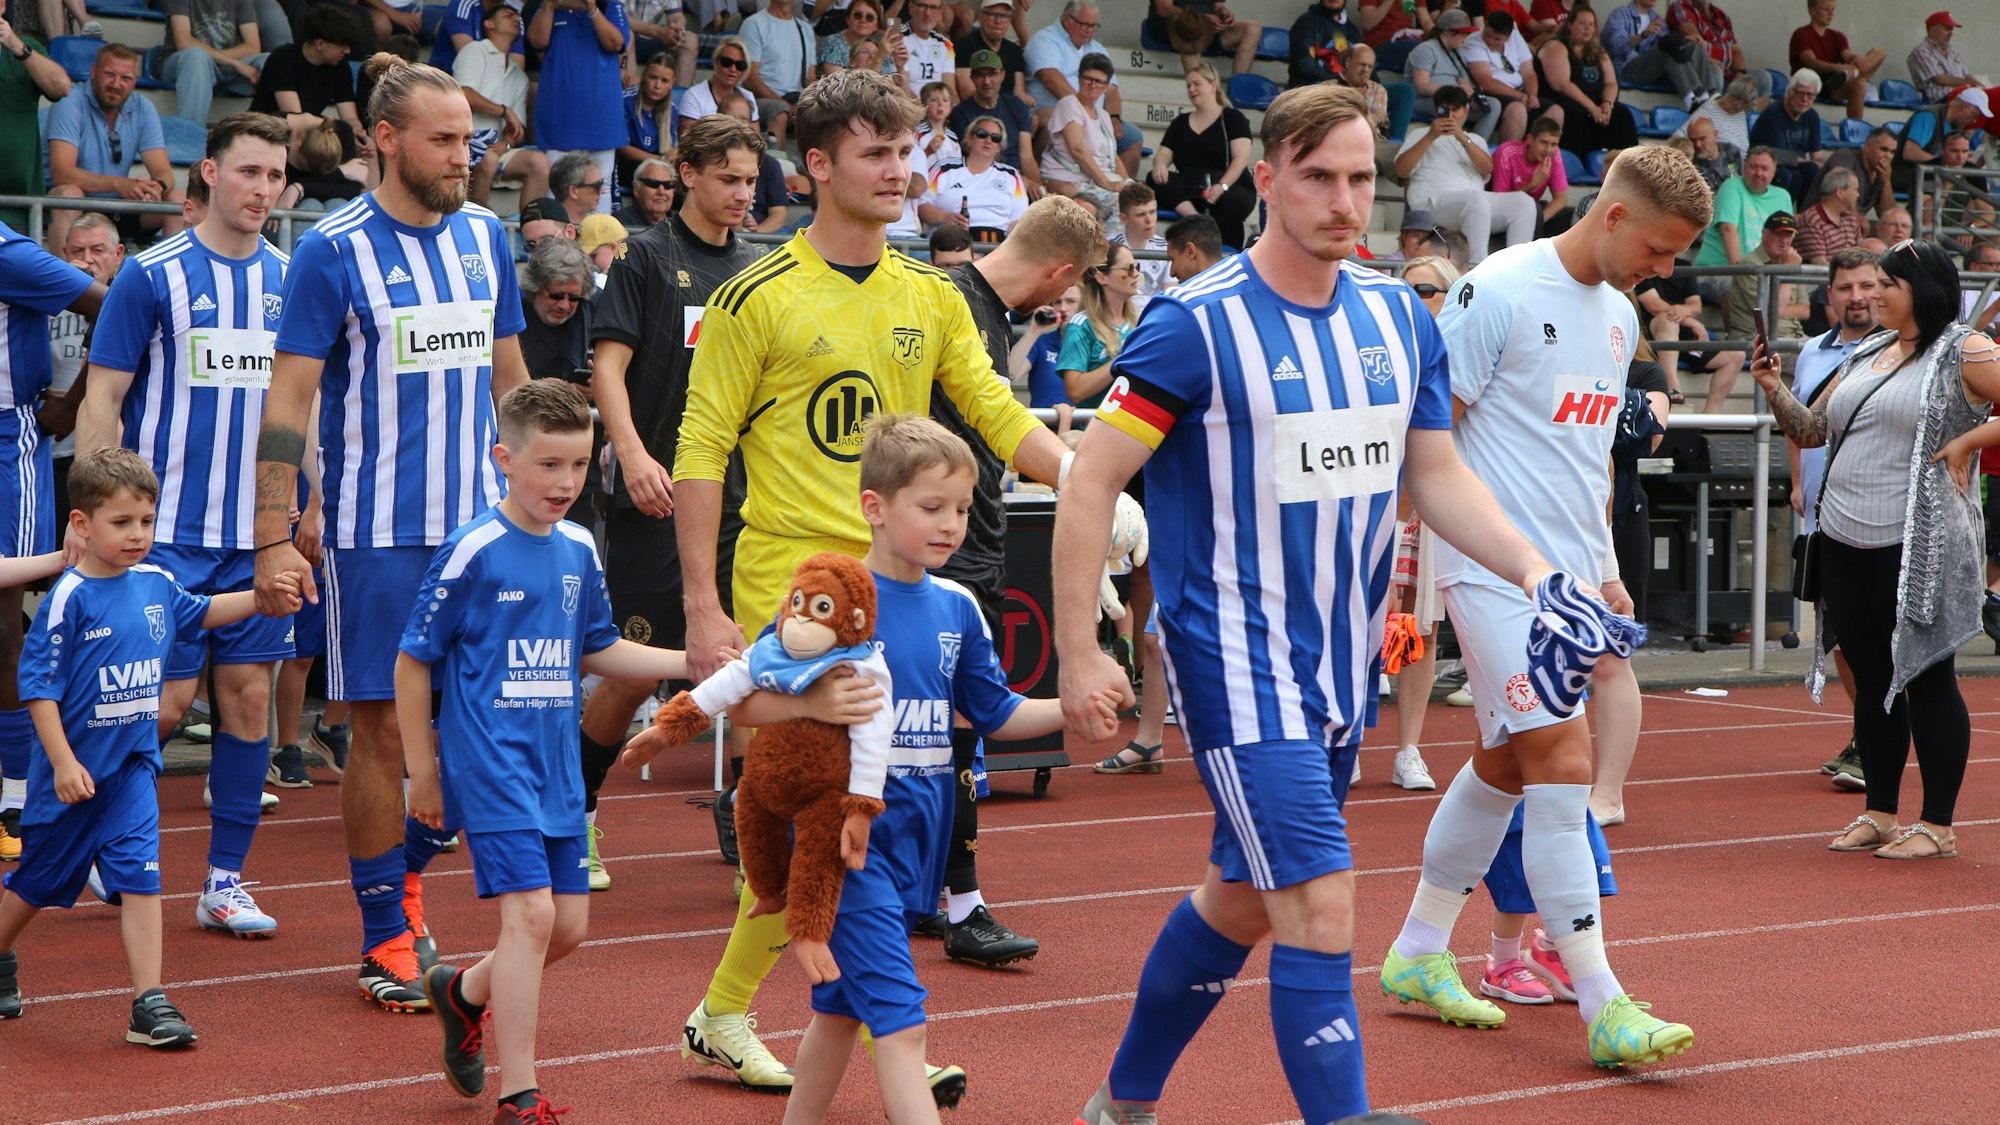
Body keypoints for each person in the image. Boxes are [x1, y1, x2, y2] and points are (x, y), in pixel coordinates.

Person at [1055, 83, 1569, 1125]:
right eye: (1318, 177)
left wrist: (1531, 570)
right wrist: (1077, 649)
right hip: (1231, 658)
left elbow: (1434, 476)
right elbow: (1087, 480)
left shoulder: (1394, 316)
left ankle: (1119, 1107)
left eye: (1359, 179)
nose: (1343, 200)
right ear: (1266, 180)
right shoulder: (1190, 326)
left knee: (1240, 900)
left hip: (1341, 661)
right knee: (1321, 899)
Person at [669, 66, 1069, 1096]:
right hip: (791, 603)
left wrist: (1089, 482)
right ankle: (865, 1021)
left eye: (905, 153)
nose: (899, 171)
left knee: (851, 831)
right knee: (820, 820)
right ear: (815, 166)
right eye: (874, 154)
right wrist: (705, 610)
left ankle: (750, 1015)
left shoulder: (928, 293)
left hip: (892, 594)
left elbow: (991, 409)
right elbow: (701, 451)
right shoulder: (750, 294)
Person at [660, 415, 1087, 1125]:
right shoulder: (833, 602)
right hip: (843, 848)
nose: (951, 524)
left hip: (916, 841)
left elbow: (993, 711)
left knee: (838, 1015)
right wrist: (821, 696)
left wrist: (1069, 706)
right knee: (904, 1025)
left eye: (961, 507)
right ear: (874, 507)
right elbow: (747, 701)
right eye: (931, 507)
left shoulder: (960, 607)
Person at [1379, 142, 1707, 1065]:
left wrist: (1602, 569)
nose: (1667, 271)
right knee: (1563, 755)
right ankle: (1603, 998)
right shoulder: (1498, 292)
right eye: (1661, 248)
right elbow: (1428, 441)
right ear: (1612, 216)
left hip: (1566, 581)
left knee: (1507, 763)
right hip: (1489, 572)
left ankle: (1414, 949)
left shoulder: (1618, 321)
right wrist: (1404, 573)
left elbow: (1589, 457)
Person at [254, 53, 531, 1014]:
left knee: (468, 739)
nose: (466, 156)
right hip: (378, 536)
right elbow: (286, 401)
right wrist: (274, 534)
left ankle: (408, 881)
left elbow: (509, 375)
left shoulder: (488, 237)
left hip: (484, 533)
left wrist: (542, 480)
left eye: (470, 138)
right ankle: (384, 930)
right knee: (378, 735)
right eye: (446, 140)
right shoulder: (332, 249)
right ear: (385, 139)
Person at [400, 380, 709, 1123]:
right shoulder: (474, 548)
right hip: (491, 763)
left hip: (556, 768)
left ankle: (461, 990)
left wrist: (693, 662)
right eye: (547, 465)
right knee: (532, 918)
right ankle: (521, 1092)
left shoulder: (577, 546)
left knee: (565, 928)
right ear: (504, 458)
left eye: (578, 465)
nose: (564, 483)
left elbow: (599, 647)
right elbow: (413, 661)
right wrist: (423, 768)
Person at [74, 112, 300, 939]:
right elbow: (102, 395)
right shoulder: (153, 274)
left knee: (248, 705)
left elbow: (307, 407)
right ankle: (101, 837)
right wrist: (95, 514)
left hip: (256, 533)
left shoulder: (291, 278)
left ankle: (224, 881)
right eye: (248, 173)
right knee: (159, 704)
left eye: (275, 177)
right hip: (161, 534)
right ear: (209, 172)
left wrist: (300, 512)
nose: (261, 191)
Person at [0, 449, 296, 1043]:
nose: (138, 535)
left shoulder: (157, 583)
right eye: (121, 523)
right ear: (82, 525)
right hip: (75, 774)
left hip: (133, 769)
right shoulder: (68, 598)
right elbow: (38, 690)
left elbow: (204, 612)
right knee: (36, 881)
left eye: (146, 521)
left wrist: (263, 599)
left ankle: (149, 1002)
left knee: (142, 877)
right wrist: (60, 761)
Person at [1753, 239, 2000, 861]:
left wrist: (1970, 439)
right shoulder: (1867, 350)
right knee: (1872, 677)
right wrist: (1771, 387)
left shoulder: (1963, 348)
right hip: (1843, 535)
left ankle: (1938, 824)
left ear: (1924, 288)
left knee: (1928, 676)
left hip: (1917, 540)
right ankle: (1881, 812)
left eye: (1888, 283)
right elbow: (1812, 430)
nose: (1877, 293)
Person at [580, 113, 768, 892]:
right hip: (656, 496)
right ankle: (577, 813)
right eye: (729, 178)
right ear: (686, 173)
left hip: (743, 502)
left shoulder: (760, 268)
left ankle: (751, 830)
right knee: (630, 669)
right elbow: (607, 370)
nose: (742, 194)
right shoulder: (645, 258)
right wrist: (631, 453)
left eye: (752, 182)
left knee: (759, 660)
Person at [923, 196, 1100, 967]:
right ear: (1059, 271)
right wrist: (1084, 482)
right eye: (1067, 289)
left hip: (968, 539)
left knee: (942, 730)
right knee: (956, 728)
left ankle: (930, 890)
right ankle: (961, 902)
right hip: (948, 548)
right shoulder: (952, 305)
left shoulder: (970, 305)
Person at [0, 219, 107, 864]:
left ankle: (15, 794)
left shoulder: (6, 253)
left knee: (2, 621)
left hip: (6, 445)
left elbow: (116, 305)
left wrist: (74, 400)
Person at [1785, 246, 1877, 788]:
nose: (1857, 297)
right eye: (1846, 288)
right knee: (1838, 635)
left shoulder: (1896, 352)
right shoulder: (1812, 352)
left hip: (1877, 517)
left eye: (1867, 286)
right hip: (1823, 519)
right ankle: (1866, 733)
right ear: (1830, 294)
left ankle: (1875, 739)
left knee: (1878, 635)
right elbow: (1798, 420)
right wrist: (1797, 483)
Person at [1383, 252, 1460, 795]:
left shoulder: (1461, 357)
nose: (1414, 300)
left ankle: (1407, 747)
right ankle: (1344, 740)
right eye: (1405, 290)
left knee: (1417, 629)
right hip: (1367, 501)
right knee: (1356, 626)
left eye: (1427, 290)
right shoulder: (1378, 349)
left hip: (1427, 507)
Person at [47, 44, 186, 252]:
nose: (116, 84)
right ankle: (62, 282)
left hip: (118, 209)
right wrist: (121, 185)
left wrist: (156, 187)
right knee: (69, 193)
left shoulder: (143, 107)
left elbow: (164, 172)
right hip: (77, 207)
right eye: (109, 75)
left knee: (177, 200)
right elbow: (62, 174)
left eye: (126, 78)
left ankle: (168, 280)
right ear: (94, 72)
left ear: (134, 82)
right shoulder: (70, 101)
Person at [1394, 86, 1535, 265]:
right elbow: (1400, 170)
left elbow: (1487, 168)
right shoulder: (1419, 134)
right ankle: (1477, 268)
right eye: (1445, 109)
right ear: (1435, 111)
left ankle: (1518, 268)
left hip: (1475, 201)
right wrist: (1431, 136)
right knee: (1475, 201)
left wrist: (1461, 137)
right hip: (1432, 201)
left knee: (1523, 202)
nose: (1450, 115)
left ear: (1466, 111)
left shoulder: (1475, 139)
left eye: (1455, 110)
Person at [44, 215, 123, 520]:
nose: (87, 260)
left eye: (97, 250)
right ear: (64, 253)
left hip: (104, 447)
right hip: (49, 448)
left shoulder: (130, 300)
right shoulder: (42, 300)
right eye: (77, 251)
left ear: (118, 256)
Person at [530, 0, 629, 215]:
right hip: (561, 115)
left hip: (602, 116)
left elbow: (616, 43)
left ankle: (598, 247)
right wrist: (549, 5)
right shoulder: (551, 6)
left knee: (600, 188)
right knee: (558, 186)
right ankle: (559, 245)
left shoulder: (608, 4)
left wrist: (592, 8)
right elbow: (537, 41)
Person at [1148, 63, 1255, 254]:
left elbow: (1241, 158)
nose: (1191, 89)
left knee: (1229, 201)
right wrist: (1159, 164)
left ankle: (1227, 255)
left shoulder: (1232, 118)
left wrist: (1221, 186)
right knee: (1154, 178)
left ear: (1213, 86)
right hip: (1192, 186)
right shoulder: (1180, 122)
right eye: (1188, 85)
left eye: (1197, 84)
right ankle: (1195, 218)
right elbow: (1164, 153)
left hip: (1228, 184)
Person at [1023, 2, 1139, 175]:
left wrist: (1114, 118)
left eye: (1094, 26)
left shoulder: (1097, 48)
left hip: (1096, 116)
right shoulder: (1045, 40)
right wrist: (1083, 111)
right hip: (1055, 112)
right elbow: (1051, 79)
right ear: (1067, 19)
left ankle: (1125, 195)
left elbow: (1112, 89)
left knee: (1133, 137)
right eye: (1084, 24)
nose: (1089, 30)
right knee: (1058, 124)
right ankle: (1045, 183)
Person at [458, 0, 549, 208]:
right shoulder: (475, 50)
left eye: (517, 17)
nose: (517, 19)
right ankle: (475, 225)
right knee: (488, 159)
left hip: (496, 149)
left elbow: (518, 128)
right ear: (489, 24)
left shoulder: (519, 76)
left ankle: (533, 232)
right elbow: (464, 94)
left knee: (540, 162)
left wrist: (505, 144)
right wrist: (504, 111)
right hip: (463, 142)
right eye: (508, 16)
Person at [0, 0, 72, 232]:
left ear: (2, 6)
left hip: (18, 207)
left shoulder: (23, 48)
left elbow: (61, 87)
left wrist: (17, 47)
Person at [1636, 263, 1742, 412]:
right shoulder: (1645, 262)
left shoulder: (1684, 266)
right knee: (1668, 321)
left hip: (1685, 337)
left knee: (1736, 355)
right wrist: (1691, 321)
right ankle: (1672, 386)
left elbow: (1696, 306)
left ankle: (1710, 416)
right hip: (1652, 338)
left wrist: (1685, 311)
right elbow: (1654, 305)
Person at [1537, 5, 1635, 161]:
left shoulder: (1598, 51)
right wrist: (1592, 107)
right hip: (1563, 99)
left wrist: (1607, 103)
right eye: (1582, 23)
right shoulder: (1556, 46)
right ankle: (1575, 163)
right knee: (1575, 112)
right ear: (1570, 25)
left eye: (1591, 24)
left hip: (1594, 101)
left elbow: (1611, 82)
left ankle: (1628, 166)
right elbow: (1561, 85)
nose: (1587, 28)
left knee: (1622, 114)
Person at [1042, 51, 1127, 219]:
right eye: (1088, 79)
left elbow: (1113, 156)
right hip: (1070, 179)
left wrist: (1128, 183)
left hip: (1098, 181)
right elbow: (1077, 149)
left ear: (1106, 86)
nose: (1093, 85)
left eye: (1099, 82)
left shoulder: (1103, 115)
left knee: (1138, 200)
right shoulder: (1069, 104)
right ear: (1079, 79)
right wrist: (1107, 183)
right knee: (1121, 205)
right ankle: (1107, 245)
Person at [945, 48, 1038, 194]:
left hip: (1018, 176)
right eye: (980, 75)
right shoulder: (961, 113)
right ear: (972, 78)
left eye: (992, 74)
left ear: (1002, 75)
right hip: (983, 179)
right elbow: (978, 160)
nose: (987, 81)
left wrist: (1036, 186)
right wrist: (1022, 181)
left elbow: (1026, 155)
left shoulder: (1016, 105)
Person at [159, 0, 266, 126]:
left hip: (222, 67)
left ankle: (275, 132)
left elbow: (253, 46)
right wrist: (234, 63)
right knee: (196, 56)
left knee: (270, 60)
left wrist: (220, 60)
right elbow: (184, 42)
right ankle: (191, 134)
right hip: (184, 64)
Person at [1057, 242, 1139, 409]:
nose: (1136, 274)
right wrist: (1120, 362)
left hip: (1135, 428)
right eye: (1128, 268)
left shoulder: (1141, 322)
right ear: (1101, 277)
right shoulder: (1081, 325)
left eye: (1137, 267)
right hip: (1094, 429)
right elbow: (1075, 391)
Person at [921, 114, 1027, 240]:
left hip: (996, 246)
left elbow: (1020, 220)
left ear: (999, 146)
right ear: (969, 138)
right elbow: (922, 205)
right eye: (982, 134)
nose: (988, 140)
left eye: (995, 138)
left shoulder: (1011, 175)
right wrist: (944, 217)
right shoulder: (943, 169)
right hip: (950, 241)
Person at [1603, 0, 1718, 111]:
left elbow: (1671, 43)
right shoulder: (1619, 14)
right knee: (1666, 48)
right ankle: (1691, 98)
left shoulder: (1657, 19)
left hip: (1654, 72)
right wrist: (1642, 35)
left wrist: (1685, 40)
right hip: (1627, 70)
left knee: (1693, 46)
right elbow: (1615, 47)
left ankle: (1708, 94)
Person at [1406, 12, 1501, 140]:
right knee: (1458, 103)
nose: (1465, 37)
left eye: (1467, 33)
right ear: (1447, 31)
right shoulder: (1426, 49)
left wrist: (1471, 96)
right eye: (1462, 33)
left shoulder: (1458, 52)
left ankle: (1476, 145)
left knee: (1493, 105)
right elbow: (1421, 87)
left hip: (1451, 99)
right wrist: (1455, 91)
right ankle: (1452, 142)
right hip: (1423, 101)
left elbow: (1465, 82)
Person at [1695, 146, 1793, 268]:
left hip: (1760, 273)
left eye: (1764, 168)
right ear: (1744, 168)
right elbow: (1728, 230)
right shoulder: (1731, 186)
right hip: (1719, 271)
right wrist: (1740, 274)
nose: (1758, 173)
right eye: (1753, 167)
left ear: (1773, 173)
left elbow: (1786, 238)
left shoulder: (1782, 197)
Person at [1891, 87, 1991, 203]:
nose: (1974, 121)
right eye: (1975, 115)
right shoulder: (1929, 116)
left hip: (1932, 180)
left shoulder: (1955, 125)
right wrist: (1947, 163)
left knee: (1978, 188)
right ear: (1965, 107)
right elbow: (1910, 152)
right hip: (1910, 179)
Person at [516, 237, 595, 382]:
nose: (564, 305)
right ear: (535, 288)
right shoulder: (513, 318)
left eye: (574, 298)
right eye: (556, 296)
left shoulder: (592, 312)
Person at [1789, 0, 1882, 121]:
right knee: (1858, 81)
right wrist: (1839, 68)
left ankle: (1851, 74)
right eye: (1826, 9)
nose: (1830, 14)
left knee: (1879, 53)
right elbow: (1812, 62)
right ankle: (1850, 74)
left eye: (1832, 10)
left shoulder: (1837, 36)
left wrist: (1857, 59)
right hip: (1814, 83)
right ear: (1812, 10)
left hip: (1836, 83)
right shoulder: (1801, 34)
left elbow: (1847, 56)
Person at [1725, 211, 1809, 344]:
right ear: (1764, 234)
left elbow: (1805, 311)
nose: (1784, 240)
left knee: (1830, 355)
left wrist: (1779, 309)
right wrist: (1787, 271)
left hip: (1794, 335)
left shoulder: (1790, 262)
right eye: (1779, 234)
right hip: (1756, 339)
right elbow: (1772, 311)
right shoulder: (1750, 265)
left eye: (1788, 235)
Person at [716, 89, 793, 233]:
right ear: (719, 120)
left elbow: (779, 215)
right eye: (732, 118)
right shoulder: (710, 161)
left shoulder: (770, 164)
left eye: (743, 119)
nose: (737, 125)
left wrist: (754, 233)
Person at [740, 0, 812, 150]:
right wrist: (788, 106)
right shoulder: (754, 24)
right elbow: (750, 77)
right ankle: (780, 164)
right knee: (779, 110)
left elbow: (810, 77)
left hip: (796, 99)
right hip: (759, 100)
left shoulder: (805, 29)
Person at [1747, 69, 1827, 204]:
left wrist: (1826, 166)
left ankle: (1804, 216)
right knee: (1788, 175)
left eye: (1810, 95)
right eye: (1800, 93)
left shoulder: (1812, 116)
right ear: (1790, 92)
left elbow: (1817, 154)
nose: (1805, 99)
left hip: (1796, 164)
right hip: (1770, 162)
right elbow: (1780, 156)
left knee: (1814, 171)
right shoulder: (1773, 114)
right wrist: (1811, 162)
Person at [1461, 9, 1535, 144]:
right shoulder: (1474, 41)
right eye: (1488, 35)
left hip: (1519, 91)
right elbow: (1486, 83)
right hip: (1494, 93)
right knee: (1517, 110)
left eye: (1497, 39)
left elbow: (1529, 73)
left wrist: (1532, 96)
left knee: (1555, 111)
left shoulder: (1516, 38)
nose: (1490, 41)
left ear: (1508, 37)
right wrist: (1520, 97)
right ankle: (1506, 160)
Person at [1491, 116, 1572, 237]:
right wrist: (1532, 185)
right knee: (1534, 210)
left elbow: (1561, 199)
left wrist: (1538, 221)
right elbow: (1499, 201)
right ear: (1530, 139)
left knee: (1571, 215)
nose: (1548, 149)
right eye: (1544, 142)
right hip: (1499, 212)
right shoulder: (1507, 152)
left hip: (1532, 211)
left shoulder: (1554, 155)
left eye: (1554, 144)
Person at [1666, 0, 1757, 99]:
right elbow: (1694, 38)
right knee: (1715, 70)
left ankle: (1746, 113)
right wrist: (1710, 60)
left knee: (1763, 78)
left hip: (1726, 73)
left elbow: (1735, 50)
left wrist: (1739, 73)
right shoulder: (1681, 6)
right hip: (1698, 71)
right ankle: (1712, 110)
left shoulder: (1721, 15)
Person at [1010, 281, 1080, 407]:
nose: (1063, 308)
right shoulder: (1042, 342)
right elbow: (1010, 374)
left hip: (1085, 424)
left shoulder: (1095, 343)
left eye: (1071, 301)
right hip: (1043, 424)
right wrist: (1034, 331)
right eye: (1058, 302)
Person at [619, 53, 678, 192]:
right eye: (653, 77)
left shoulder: (672, 111)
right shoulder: (625, 101)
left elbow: (668, 149)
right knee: (653, 180)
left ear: (672, 83)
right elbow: (621, 147)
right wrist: (659, 159)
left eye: (664, 81)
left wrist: (671, 157)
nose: (657, 85)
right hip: (627, 165)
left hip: (657, 165)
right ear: (643, 75)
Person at [1335, 43, 1414, 144]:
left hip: (1370, 142)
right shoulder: (1328, 88)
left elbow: (1377, 123)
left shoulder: (1378, 90)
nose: (1366, 70)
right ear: (1348, 62)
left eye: (1370, 67)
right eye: (1362, 64)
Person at [951, 0, 1025, 102]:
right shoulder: (963, 46)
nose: (998, 21)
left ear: (1009, 21)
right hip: (978, 111)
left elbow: (1019, 93)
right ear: (981, 17)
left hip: (1010, 111)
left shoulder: (1014, 50)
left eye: (1004, 16)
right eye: (992, 15)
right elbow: (967, 92)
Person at [680, 35, 758, 124]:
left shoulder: (748, 97)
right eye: (727, 62)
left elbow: (754, 136)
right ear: (716, 61)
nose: (733, 69)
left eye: (740, 65)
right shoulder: (694, 96)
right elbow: (689, 136)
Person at [431, 0, 525, 74]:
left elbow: (516, 70)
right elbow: (469, 59)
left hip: (491, 83)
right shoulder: (464, 4)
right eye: (508, 16)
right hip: (446, 77)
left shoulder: (514, 18)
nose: (513, 18)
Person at [1796, 165, 1865, 265]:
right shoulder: (1812, 220)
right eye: (1855, 189)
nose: (1858, 195)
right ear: (1840, 192)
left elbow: (1860, 255)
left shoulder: (1851, 220)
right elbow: (1820, 264)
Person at [1287, 0, 1363, 90]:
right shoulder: (1306, 23)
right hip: (1309, 93)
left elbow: (1366, 64)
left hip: (1344, 92)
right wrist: (1342, 82)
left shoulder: (1354, 32)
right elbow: (1304, 64)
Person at [1905, 10, 1972, 106]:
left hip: (1961, 95)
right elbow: (1941, 79)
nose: (1951, 34)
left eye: (1951, 30)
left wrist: (1981, 85)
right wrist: (1970, 84)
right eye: (1947, 29)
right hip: (1939, 101)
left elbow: (1966, 76)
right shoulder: (1921, 51)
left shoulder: (1953, 53)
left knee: (1993, 95)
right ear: (1933, 31)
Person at [817, 0, 888, 80]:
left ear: (877, 26)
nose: (863, 20)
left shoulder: (879, 47)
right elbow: (839, 85)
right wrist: (878, 59)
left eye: (869, 18)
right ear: (847, 19)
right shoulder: (833, 42)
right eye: (857, 15)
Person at [900, 0, 954, 97]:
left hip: (938, 108)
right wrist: (924, 109)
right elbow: (899, 86)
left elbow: (949, 89)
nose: (927, 13)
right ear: (911, 7)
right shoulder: (897, 38)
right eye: (922, 6)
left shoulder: (947, 44)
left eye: (933, 7)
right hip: (907, 106)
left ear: (940, 11)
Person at [912, 80, 962, 169]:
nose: (940, 104)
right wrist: (927, 151)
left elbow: (958, 166)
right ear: (923, 105)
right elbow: (910, 162)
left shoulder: (953, 137)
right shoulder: (917, 132)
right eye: (934, 100)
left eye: (945, 100)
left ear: (951, 107)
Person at [615, 156, 676, 227]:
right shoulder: (619, 222)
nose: (661, 192)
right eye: (653, 183)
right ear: (636, 189)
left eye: (668, 185)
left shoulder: (682, 221)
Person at [549, 153, 606, 229]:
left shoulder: (601, 226)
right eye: (596, 186)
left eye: (601, 183)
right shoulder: (548, 231)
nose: (603, 191)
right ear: (573, 191)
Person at [1163, 211, 1222, 282]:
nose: (1172, 273)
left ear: (1190, 251)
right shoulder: (1237, 284)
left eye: (1173, 260)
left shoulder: (1185, 292)